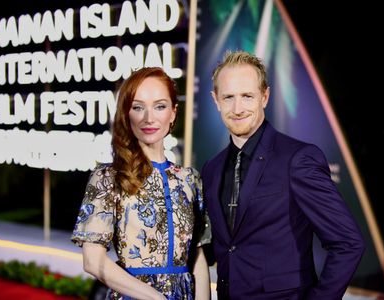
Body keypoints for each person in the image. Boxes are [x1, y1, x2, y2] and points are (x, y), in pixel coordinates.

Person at [201, 50, 366, 299]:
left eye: (247, 96)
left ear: (264, 96)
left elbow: (348, 243)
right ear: (216, 101)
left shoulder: (298, 159)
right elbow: (223, 248)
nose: (237, 108)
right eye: (228, 97)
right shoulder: (211, 169)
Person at [71, 67, 211, 300]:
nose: (149, 118)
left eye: (160, 106)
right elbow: (92, 261)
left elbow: (197, 257)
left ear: (173, 113)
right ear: (127, 114)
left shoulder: (190, 179)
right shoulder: (108, 177)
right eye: (138, 107)